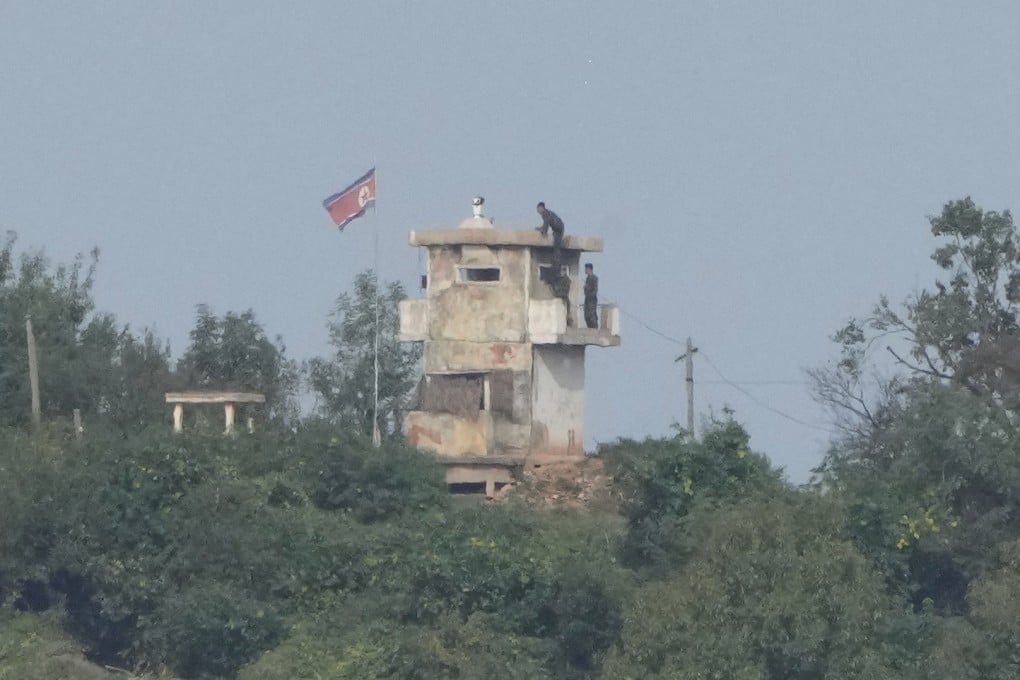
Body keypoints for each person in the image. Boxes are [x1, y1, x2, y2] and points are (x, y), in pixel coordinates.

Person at [583, 263, 599, 329]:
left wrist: (590, 295)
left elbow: (595, 290)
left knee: (592, 315)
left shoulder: (594, 278)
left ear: (589, 269)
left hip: (592, 299)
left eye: (586, 269)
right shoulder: (587, 278)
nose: (585, 270)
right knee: (586, 315)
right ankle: (590, 328)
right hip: (587, 299)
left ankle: (595, 329)